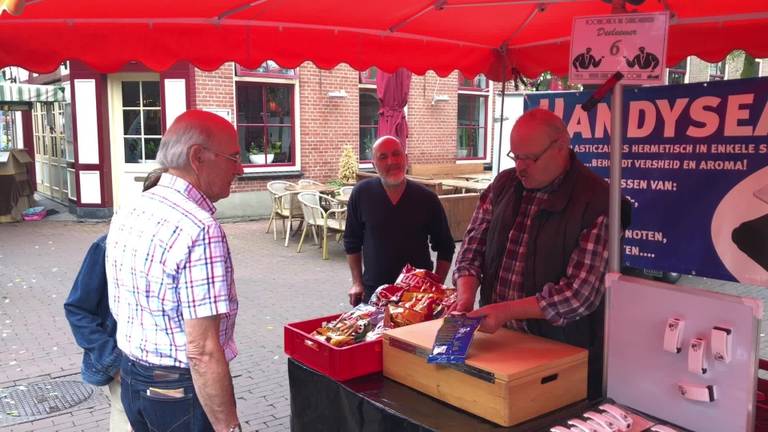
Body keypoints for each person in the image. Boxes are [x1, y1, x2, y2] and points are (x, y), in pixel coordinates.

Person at [451, 108, 628, 400]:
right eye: (515, 156)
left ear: (561, 148)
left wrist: (504, 311)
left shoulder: (600, 202)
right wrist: (465, 296)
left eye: (529, 158)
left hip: (560, 352)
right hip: (497, 342)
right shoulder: (504, 185)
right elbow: (472, 247)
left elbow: (578, 295)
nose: (520, 167)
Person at [106, 110, 244, 432]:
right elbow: (202, 351)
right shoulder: (199, 228)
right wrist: (229, 428)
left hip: (131, 379)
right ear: (198, 157)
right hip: (178, 392)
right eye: (233, 157)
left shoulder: (130, 209)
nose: (240, 168)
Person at [64, 168, 167, 432]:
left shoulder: (181, 246)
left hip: (172, 373)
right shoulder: (108, 246)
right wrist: (113, 362)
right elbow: (78, 308)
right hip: (129, 370)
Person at [344, 135, 455, 305]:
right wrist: (357, 283)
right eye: (383, 157)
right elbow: (352, 242)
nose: (391, 161)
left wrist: (435, 286)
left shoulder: (427, 198)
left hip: (417, 300)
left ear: (406, 158)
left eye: (396, 154)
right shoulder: (361, 194)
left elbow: (446, 247)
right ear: (374, 165)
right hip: (374, 295)